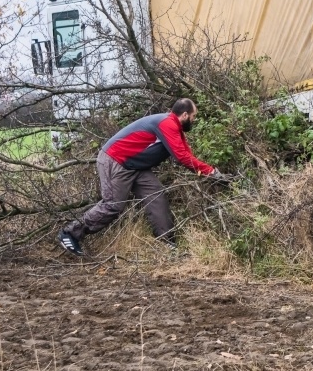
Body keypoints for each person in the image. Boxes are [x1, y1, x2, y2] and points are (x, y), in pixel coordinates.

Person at [57, 98, 225, 256]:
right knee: (113, 205)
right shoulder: (167, 124)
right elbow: (182, 158)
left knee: (156, 196)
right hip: (116, 160)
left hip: (135, 166)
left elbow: (187, 154)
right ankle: (69, 233)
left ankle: (167, 244)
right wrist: (211, 173)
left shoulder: (174, 126)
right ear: (185, 115)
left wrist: (212, 173)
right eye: (194, 116)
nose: (194, 120)